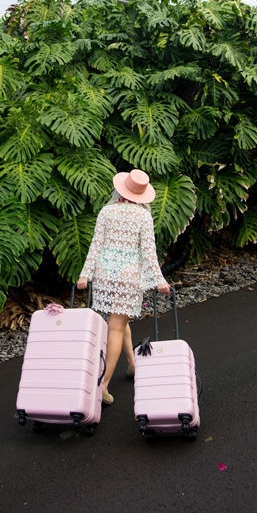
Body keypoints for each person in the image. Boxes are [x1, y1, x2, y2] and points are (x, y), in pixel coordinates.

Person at [77, 168, 170, 405]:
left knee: (119, 320)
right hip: (129, 276)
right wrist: (160, 280)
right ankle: (103, 384)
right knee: (117, 326)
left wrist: (84, 275)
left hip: (105, 274)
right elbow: (148, 253)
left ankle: (132, 364)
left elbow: (95, 245)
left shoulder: (106, 211)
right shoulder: (143, 217)